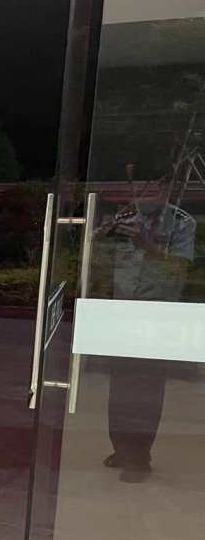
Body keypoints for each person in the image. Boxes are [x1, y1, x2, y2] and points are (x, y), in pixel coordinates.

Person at [99, 196, 196, 483]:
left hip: (156, 317)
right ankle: (122, 449)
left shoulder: (181, 222)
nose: (147, 193)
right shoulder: (126, 217)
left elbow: (179, 269)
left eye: (155, 184)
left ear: (166, 187)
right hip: (122, 313)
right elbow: (99, 257)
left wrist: (148, 246)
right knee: (120, 388)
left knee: (147, 389)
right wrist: (101, 234)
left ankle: (140, 457)